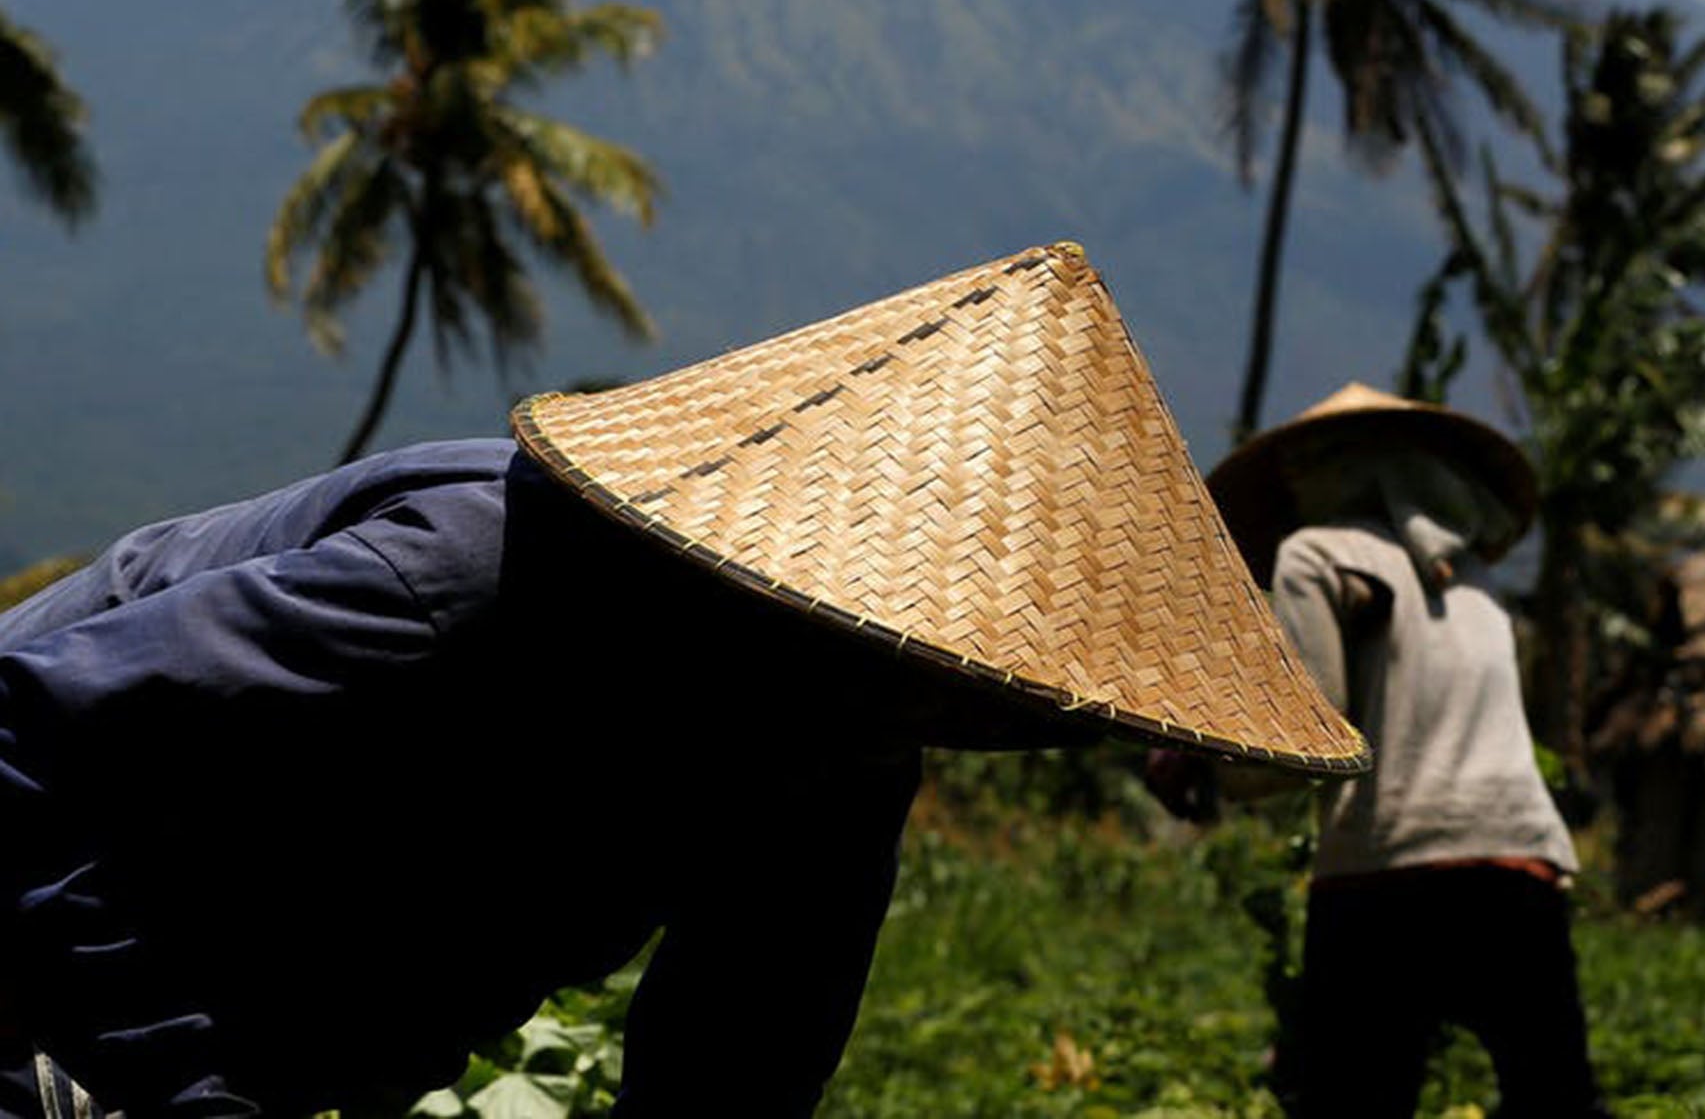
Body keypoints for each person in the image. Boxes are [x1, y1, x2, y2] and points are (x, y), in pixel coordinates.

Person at [0, 244, 1361, 1119]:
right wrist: (181, 1091)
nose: (981, 724)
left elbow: (737, 1068)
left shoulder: (851, 749)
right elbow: (25, 752)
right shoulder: (481, 573)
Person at [1162, 383, 1608, 1118]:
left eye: (1312, 462)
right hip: (1519, 867)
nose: (1300, 481)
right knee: (1554, 1098)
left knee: (1352, 1099)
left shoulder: (1315, 555)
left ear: (1352, 465)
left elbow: (1316, 741)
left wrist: (1205, 771)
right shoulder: (1477, 579)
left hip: (1385, 873)